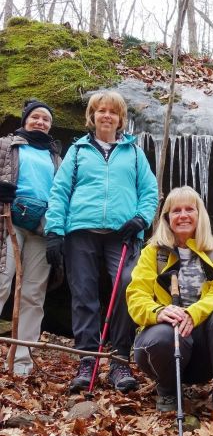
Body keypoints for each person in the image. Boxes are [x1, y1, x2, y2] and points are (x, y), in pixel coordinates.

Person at [44, 90, 158, 393]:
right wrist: (54, 231)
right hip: (81, 232)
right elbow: (60, 192)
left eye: (113, 112)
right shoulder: (78, 151)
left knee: (127, 286)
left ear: (120, 119)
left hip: (123, 233)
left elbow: (149, 191)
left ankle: (119, 360)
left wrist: (141, 219)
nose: (106, 115)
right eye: (101, 110)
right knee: (84, 295)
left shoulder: (133, 153)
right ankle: (88, 361)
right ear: (92, 116)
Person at [127, 186, 213, 433]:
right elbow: (136, 295)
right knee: (160, 336)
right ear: (167, 217)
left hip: (205, 349)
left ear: (199, 215)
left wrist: (194, 313)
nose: (183, 215)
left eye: (189, 209)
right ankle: (168, 390)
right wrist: (158, 312)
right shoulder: (153, 253)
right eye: (176, 210)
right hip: (167, 345)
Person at [0, 99, 61, 376]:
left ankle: (21, 362)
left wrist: (58, 233)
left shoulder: (56, 158)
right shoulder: (6, 145)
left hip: (42, 228)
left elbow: (62, 196)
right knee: (1, 283)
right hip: (8, 221)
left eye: (46, 119)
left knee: (33, 294)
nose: (40, 122)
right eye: (35, 117)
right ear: (25, 120)